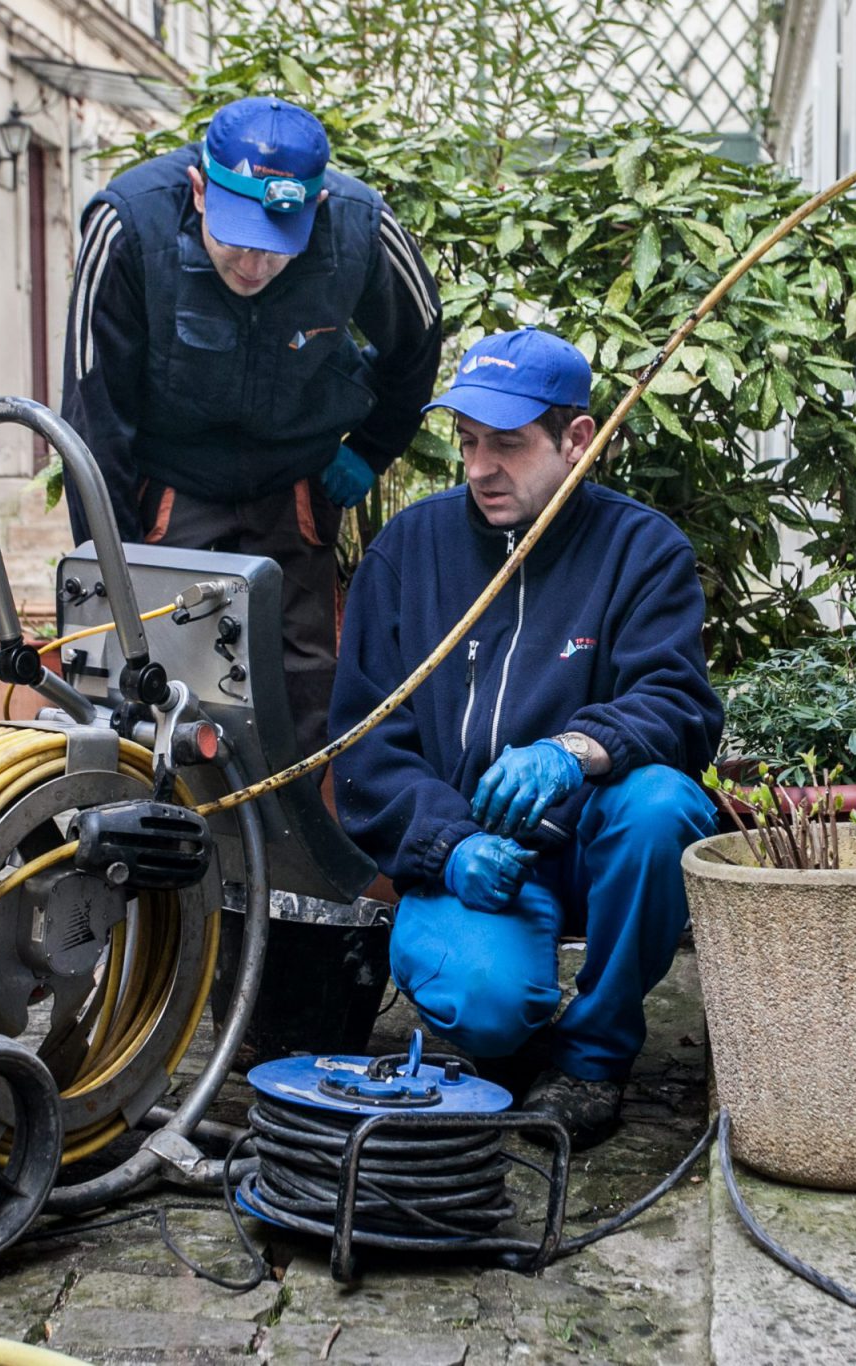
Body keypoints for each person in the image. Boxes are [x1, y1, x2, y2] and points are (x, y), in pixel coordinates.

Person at [328, 327, 723, 1148]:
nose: (478, 468)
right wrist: (446, 845)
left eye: (507, 444)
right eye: (467, 442)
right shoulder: (409, 551)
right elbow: (366, 745)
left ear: (577, 439)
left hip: (592, 841)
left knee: (664, 808)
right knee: (484, 1004)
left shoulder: (640, 550)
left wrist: (574, 751)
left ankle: (593, 1055)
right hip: (474, 856)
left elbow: (680, 704)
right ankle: (519, 1033)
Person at [61, 95, 443, 755]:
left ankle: (286, 843)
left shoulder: (361, 229)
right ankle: (164, 832)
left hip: (293, 478)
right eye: (239, 241)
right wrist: (113, 572)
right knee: (155, 669)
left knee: (300, 680)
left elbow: (421, 338)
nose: (255, 266)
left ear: (316, 211)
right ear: (201, 190)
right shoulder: (129, 228)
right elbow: (94, 418)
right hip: (169, 480)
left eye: (277, 249)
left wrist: (374, 448)